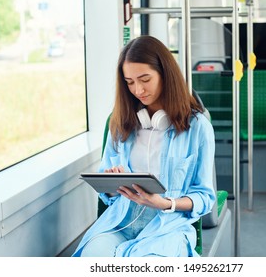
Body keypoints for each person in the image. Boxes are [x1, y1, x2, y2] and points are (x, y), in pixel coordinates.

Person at [72, 35, 215, 257]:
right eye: (130, 82)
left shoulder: (198, 128)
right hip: (120, 222)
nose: (138, 89)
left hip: (167, 227)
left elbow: (205, 197)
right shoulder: (120, 123)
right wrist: (112, 181)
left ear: (165, 74)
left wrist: (165, 203)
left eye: (145, 79)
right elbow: (107, 193)